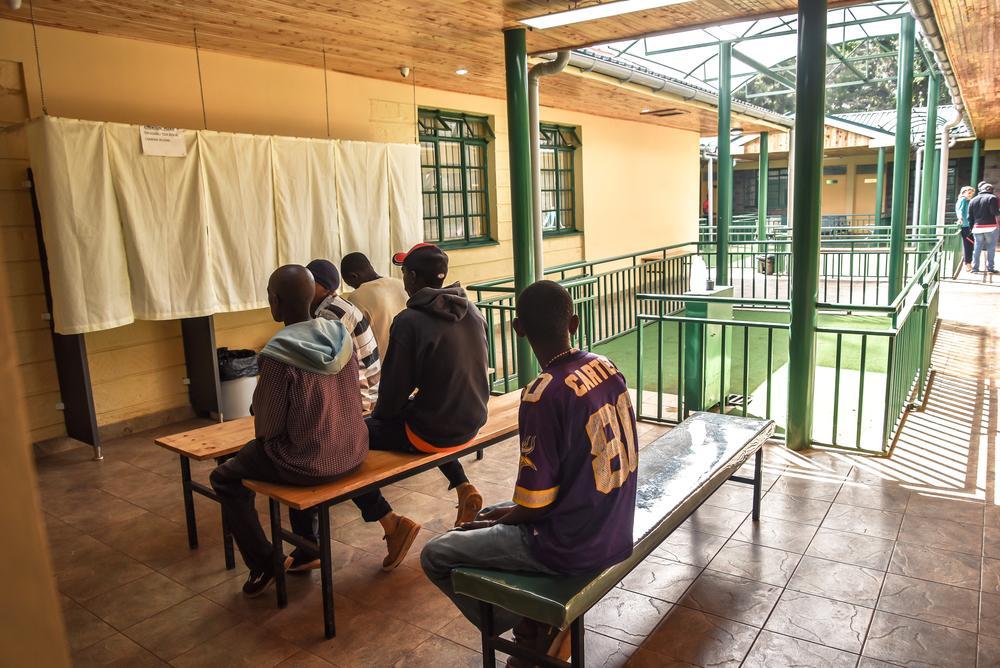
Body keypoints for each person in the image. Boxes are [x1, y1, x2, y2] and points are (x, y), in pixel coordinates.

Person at [420, 280, 639, 665]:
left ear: (519, 330)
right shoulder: (603, 365)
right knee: (494, 513)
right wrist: (502, 517)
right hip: (615, 525)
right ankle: (533, 623)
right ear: (573, 323)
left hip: (571, 543)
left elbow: (535, 506)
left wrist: (498, 523)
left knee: (436, 553)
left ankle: (528, 619)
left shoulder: (543, 393)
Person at [209, 265, 369, 596]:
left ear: (275, 302)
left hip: (311, 462)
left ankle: (264, 562)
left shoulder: (279, 353)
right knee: (306, 436)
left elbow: (266, 427)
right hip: (353, 449)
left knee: (225, 476)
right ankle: (307, 547)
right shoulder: (338, 335)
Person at [350, 243, 490, 571]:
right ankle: (463, 486)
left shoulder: (410, 320)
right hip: (474, 418)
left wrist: (377, 419)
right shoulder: (471, 309)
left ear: (411, 278)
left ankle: (390, 522)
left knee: (347, 438)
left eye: (403, 274)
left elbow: (393, 394)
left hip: (436, 430)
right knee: (427, 409)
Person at [306, 259, 380, 413]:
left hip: (364, 399)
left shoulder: (330, 316)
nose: (304, 287)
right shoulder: (336, 305)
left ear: (325, 287)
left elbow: (346, 367)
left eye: (310, 282)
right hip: (371, 390)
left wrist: (360, 410)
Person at [340, 252, 409, 356]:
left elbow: (357, 340)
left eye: (351, 285)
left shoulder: (357, 296)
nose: (354, 288)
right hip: (411, 359)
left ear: (353, 276)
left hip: (383, 365)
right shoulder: (401, 284)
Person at [969, 182, 1000, 274]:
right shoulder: (992, 198)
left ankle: (975, 268)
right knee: (991, 248)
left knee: (977, 248)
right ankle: (990, 268)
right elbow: (994, 212)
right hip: (991, 227)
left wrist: (972, 228)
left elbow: (969, 216)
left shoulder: (973, 200)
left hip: (977, 227)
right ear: (990, 190)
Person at [955, 185, 976, 271]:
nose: (971, 194)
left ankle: (969, 263)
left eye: (972, 193)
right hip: (965, 226)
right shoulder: (963, 199)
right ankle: (968, 264)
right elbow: (959, 210)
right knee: (968, 245)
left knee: (971, 245)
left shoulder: (968, 201)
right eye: (969, 192)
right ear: (964, 192)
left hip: (969, 226)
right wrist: (959, 219)